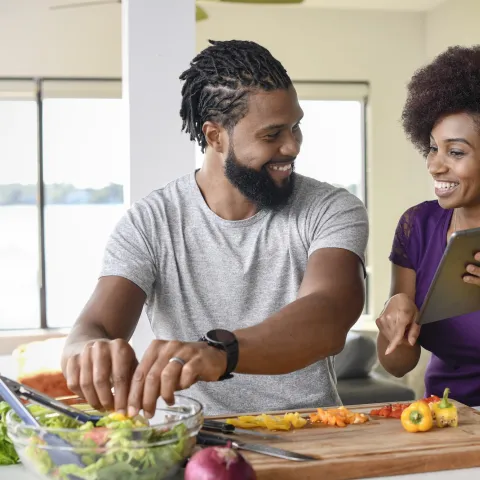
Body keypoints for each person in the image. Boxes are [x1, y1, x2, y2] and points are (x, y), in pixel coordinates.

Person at [61, 39, 368, 417]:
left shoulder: (330, 208)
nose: (292, 147)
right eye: (272, 135)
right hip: (195, 437)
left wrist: (221, 352)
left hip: (315, 433)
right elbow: (92, 327)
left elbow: (328, 316)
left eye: (295, 127)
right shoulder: (150, 223)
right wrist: (86, 350)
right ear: (215, 136)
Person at [376, 45, 480, 407]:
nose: (435, 166)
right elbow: (396, 364)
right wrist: (396, 317)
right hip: (443, 417)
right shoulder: (417, 226)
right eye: (433, 148)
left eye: (455, 152)